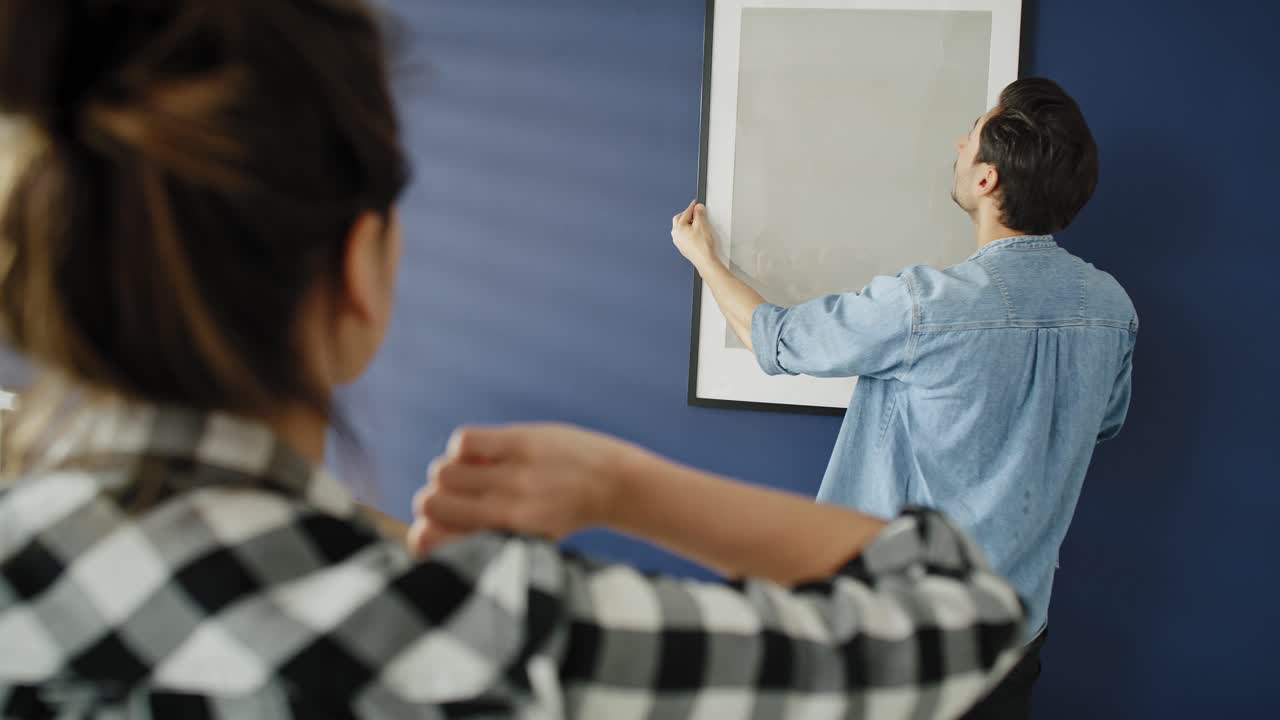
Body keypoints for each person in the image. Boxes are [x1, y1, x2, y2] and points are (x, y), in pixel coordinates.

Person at [0, 1, 1027, 717]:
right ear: (362, 268)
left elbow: (778, 341)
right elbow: (967, 619)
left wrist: (704, 262)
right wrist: (621, 481)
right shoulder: (480, 638)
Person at [668, 78, 1136, 717]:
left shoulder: (927, 305)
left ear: (986, 181)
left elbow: (775, 339)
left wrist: (705, 260)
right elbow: (1102, 423)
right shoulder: (1113, 309)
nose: (958, 141)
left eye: (970, 131)